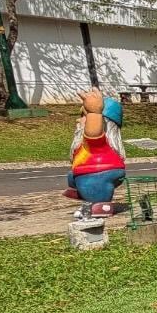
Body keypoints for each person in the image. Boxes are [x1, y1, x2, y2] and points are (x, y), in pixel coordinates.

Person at [64, 88, 126, 217]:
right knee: (73, 177)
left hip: (100, 172)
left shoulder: (96, 141)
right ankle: (85, 195)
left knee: (90, 181)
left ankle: (102, 205)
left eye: (83, 117)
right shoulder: (85, 145)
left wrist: (94, 112)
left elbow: (93, 131)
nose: (78, 121)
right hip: (93, 171)